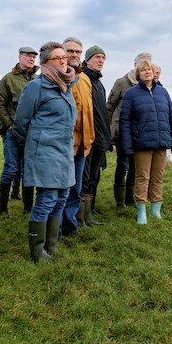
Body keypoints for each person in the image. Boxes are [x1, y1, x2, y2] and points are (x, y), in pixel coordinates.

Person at [12, 42, 77, 262]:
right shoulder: (36, 86)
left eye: (64, 57)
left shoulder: (66, 85)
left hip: (63, 150)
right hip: (44, 151)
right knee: (47, 198)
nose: (63, 61)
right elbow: (21, 122)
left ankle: (52, 244)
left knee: (62, 197)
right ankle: (38, 251)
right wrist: (33, 145)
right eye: (57, 58)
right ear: (45, 63)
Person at [119, 59, 172, 224]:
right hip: (142, 144)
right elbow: (124, 122)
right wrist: (127, 146)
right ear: (138, 74)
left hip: (161, 143)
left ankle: (155, 211)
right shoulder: (131, 94)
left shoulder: (163, 92)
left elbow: (171, 119)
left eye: (150, 69)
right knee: (142, 177)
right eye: (144, 70)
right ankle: (141, 212)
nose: (148, 72)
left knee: (158, 177)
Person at [0, 46, 38, 218]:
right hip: (12, 133)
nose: (31, 59)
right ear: (20, 57)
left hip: (31, 133)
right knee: (11, 167)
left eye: (34, 56)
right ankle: (3, 210)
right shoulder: (8, 79)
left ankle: (28, 207)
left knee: (28, 169)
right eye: (28, 56)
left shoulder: (37, 80)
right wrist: (9, 125)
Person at [58, 37, 94, 237]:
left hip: (83, 144)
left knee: (75, 189)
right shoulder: (57, 76)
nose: (74, 55)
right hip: (65, 143)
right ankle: (57, 229)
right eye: (70, 51)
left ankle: (70, 228)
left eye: (77, 52)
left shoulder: (86, 79)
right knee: (61, 188)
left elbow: (89, 111)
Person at [106, 52, 151, 209]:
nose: (145, 68)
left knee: (135, 167)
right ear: (135, 66)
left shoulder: (147, 85)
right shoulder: (122, 82)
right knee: (123, 165)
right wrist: (108, 132)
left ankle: (130, 199)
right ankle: (120, 202)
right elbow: (110, 106)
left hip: (139, 133)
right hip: (122, 132)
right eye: (142, 65)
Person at [78, 45, 110, 224]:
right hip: (87, 138)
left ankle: (88, 215)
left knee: (93, 177)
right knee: (84, 177)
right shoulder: (83, 80)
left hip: (99, 139)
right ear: (88, 59)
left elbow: (103, 114)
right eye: (97, 57)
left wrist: (107, 139)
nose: (101, 61)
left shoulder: (99, 84)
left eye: (103, 58)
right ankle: (79, 216)